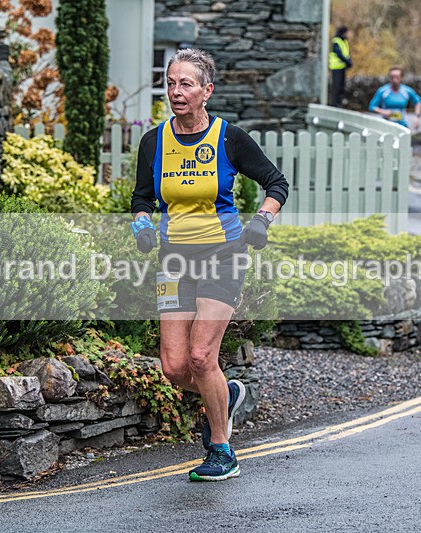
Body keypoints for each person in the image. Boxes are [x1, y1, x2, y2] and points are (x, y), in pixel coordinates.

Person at [130, 48, 289, 481]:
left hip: (223, 254)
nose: (177, 92)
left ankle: (222, 449)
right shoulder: (154, 141)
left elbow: (276, 183)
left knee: (202, 356)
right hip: (175, 258)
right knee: (175, 367)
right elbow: (142, 197)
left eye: (187, 84)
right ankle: (229, 393)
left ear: (206, 91)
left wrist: (262, 220)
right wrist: (142, 226)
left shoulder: (228, 137)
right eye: (171, 83)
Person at [328, 26, 353, 108]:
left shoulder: (343, 41)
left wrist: (348, 62)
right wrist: (347, 61)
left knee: (341, 87)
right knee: (336, 86)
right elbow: (338, 53)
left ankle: (339, 103)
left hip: (342, 67)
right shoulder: (336, 41)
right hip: (336, 67)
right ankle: (335, 104)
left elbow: (346, 53)